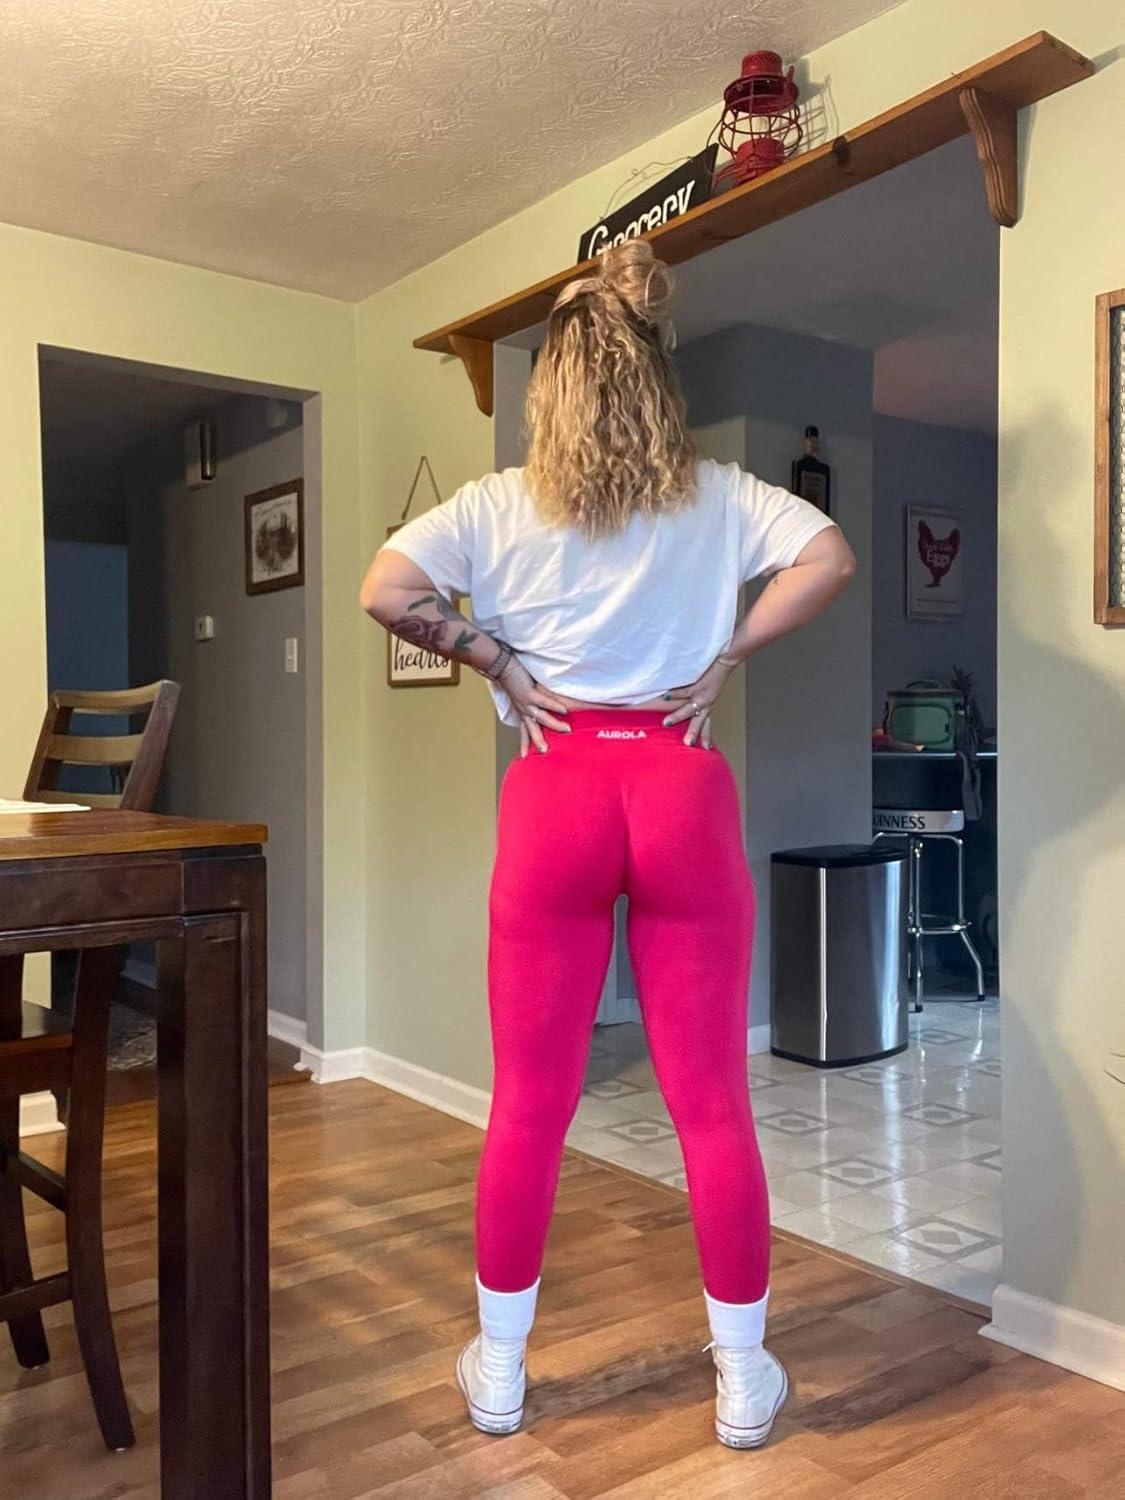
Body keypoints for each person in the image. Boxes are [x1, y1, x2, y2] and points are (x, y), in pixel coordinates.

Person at [359, 240, 856, 1450]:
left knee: (529, 1104)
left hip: (557, 788)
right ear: (656, 378)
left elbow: (385, 590)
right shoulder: (720, 492)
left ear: (550, 390)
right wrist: (727, 654)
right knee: (712, 1104)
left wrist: (497, 659)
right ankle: (742, 1379)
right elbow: (830, 557)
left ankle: (501, 1373)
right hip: (679, 784)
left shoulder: (496, 505)